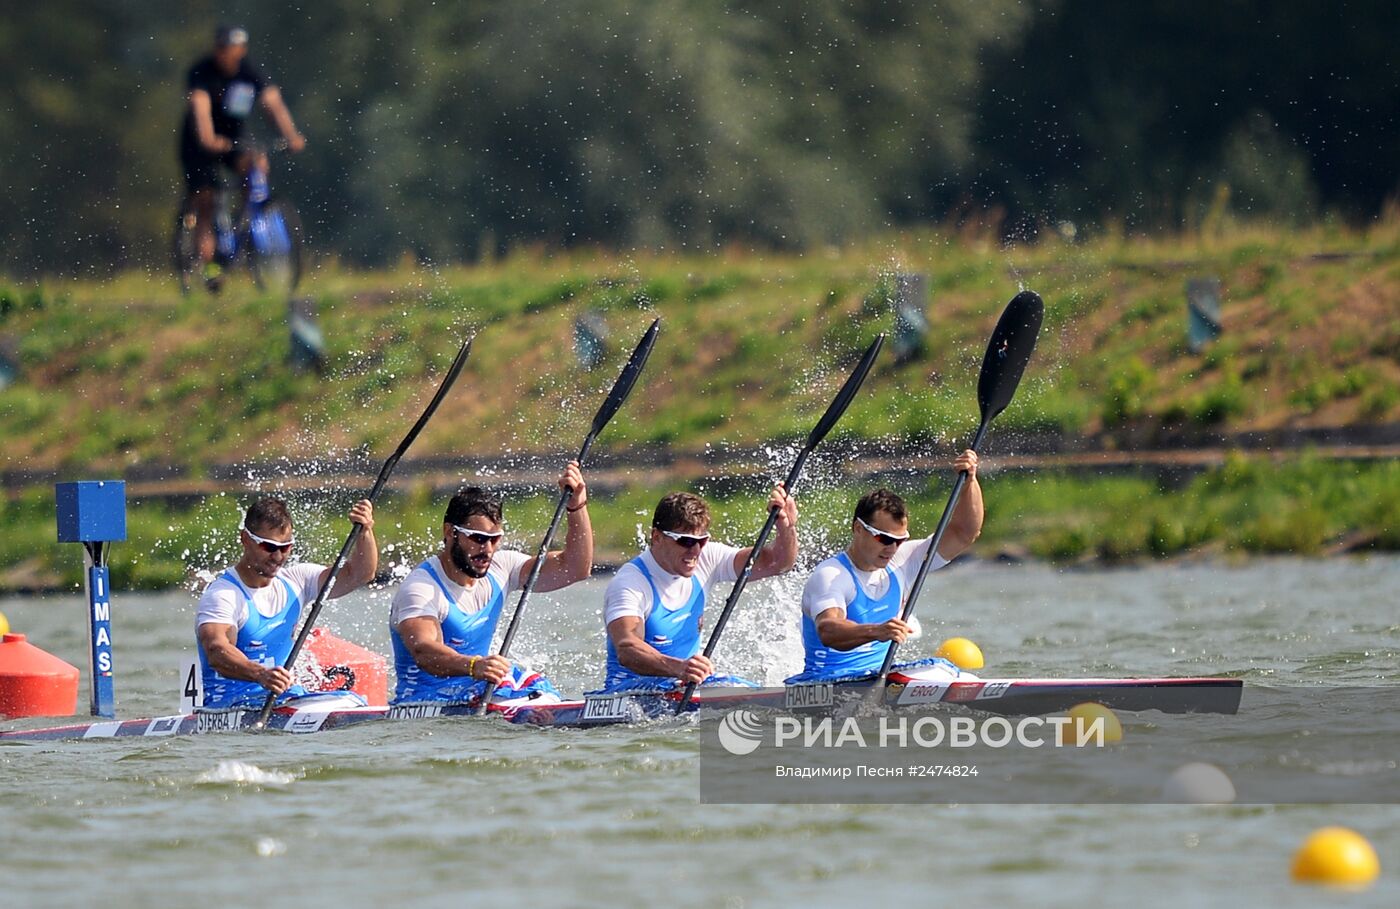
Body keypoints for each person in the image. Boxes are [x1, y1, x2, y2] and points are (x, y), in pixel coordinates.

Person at [389, 463, 592, 706]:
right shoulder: (422, 589)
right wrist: (474, 665)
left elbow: (576, 568)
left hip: (477, 693)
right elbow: (423, 651)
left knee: (529, 682)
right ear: (450, 532)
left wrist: (576, 505)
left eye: (494, 540)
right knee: (507, 685)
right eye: (477, 538)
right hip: (424, 701)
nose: (487, 550)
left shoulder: (502, 568)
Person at [787, 450, 983, 683]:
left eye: (900, 540)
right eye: (884, 539)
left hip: (879, 677)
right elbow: (829, 630)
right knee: (938, 672)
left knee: (950, 671)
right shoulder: (831, 575)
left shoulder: (903, 561)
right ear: (858, 529)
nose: (892, 548)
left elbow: (964, 533)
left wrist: (969, 481)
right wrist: (877, 631)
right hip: (826, 681)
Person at [600, 485, 798, 693]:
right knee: (730, 688)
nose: (695, 551)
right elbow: (627, 648)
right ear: (657, 537)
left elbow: (778, 563)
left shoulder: (707, 558)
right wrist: (681, 668)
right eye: (685, 541)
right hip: (628, 692)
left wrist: (786, 527)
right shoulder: (631, 583)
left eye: (701, 541)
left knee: (735, 687)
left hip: (681, 685)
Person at [196, 497, 377, 709]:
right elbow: (216, 651)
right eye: (269, 546)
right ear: (245, 539)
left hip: (284, 700)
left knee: (354, 701)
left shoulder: (297, 581)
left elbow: (360, 574)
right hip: (231, 705)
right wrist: (260, 674)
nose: (278, 556)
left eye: (285, 547)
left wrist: (365, 531)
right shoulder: (224, 595)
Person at [178, 25, 306, 291]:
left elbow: (273, 104)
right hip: (200, 144)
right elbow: (199, 109)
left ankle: (247, 224)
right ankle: (211, 264)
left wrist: (291, 134)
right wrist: (208, 139)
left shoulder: (249, 72)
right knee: (207, 200)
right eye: (226, 49)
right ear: (217, 49)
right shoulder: (202, 72)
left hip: (235, 139)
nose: (231, 55)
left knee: (257, 164)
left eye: (236, 50)